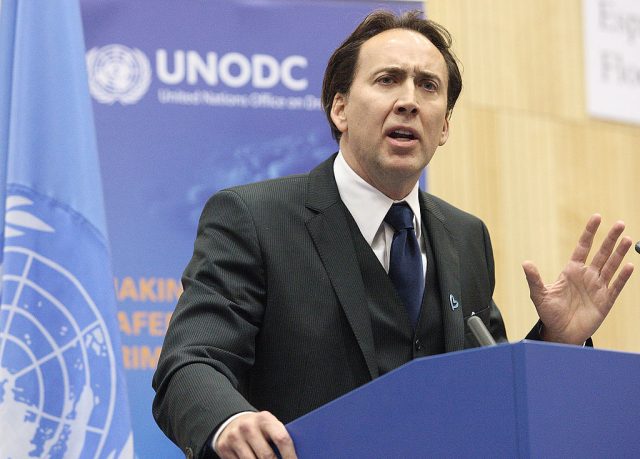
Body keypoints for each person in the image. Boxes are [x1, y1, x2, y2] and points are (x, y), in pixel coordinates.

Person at [152, 10, 634, 459]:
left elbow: (488, 394)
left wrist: (558, 339)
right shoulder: (253, 217)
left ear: (444, 125)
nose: (408, 101)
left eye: (428, 86)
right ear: (339, 110)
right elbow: (190, 364)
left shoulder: (466, 237)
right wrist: (229, 420)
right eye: (387, 80)